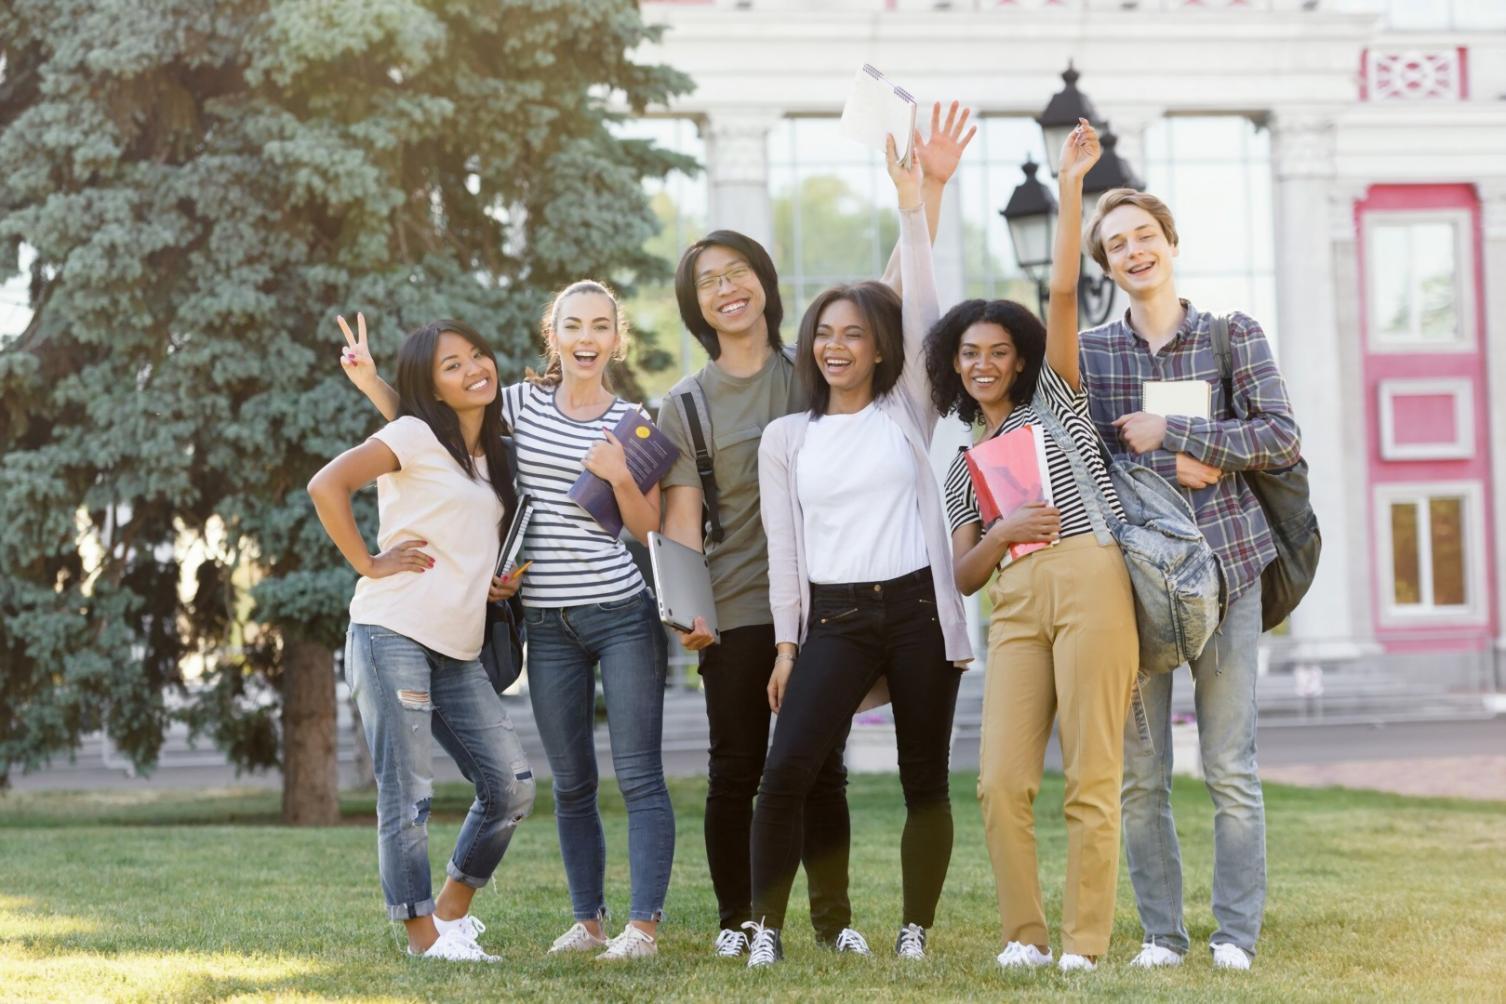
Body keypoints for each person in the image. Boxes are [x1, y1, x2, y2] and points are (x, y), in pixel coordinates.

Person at [656, 101, 974, 959]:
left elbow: (899, 301)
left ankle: (835, 922)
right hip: (744, 604)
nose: (727, 288)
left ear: (765, 283)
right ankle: (742, 923)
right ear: (694, 305)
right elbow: (678, 515)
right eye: (708, 281)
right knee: (743, 769)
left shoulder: (820, 370)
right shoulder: (690, 403)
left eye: (738, 272)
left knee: (826, 770)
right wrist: (685, 609)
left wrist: (922, 194)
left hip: (851, 602)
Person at [340, 283, 674, 962]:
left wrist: (619, 474)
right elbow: (432, 427)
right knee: (570, 783)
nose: (586, 338)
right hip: (546, 621)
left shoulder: (634, 421)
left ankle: (642, 928)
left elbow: (648, 526)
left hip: (621, 612)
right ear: (554, 336)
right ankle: (588, 923)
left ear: (617, 339)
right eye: (573, 325)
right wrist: (372, 381)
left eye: (601, 326)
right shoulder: (517, 404)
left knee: (637, 775)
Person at [742, 131, 972, 969]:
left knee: (924, 780)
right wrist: (787, 646)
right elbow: (785, 551)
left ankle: (915, 929)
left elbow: (923, 303)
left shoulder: (908, 407)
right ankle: (766, 929)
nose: (835, 345)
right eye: (823, 333)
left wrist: (915, 202)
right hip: (833, 620)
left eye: (853, 333)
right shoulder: (787, 438)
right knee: (787, 772)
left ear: (880, 346)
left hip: (917, 612)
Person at [1077, 173, 1301, 969]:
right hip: (1137, 589)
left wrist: (1178, 432)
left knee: (1230, 768)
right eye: (1116, 244)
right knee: (1141, 777)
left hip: (1230, 573)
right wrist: (1166, 463)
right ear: (1106, 264)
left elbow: (1280, 436)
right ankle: (1163, 938)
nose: (1133, 251)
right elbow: (1084, 465)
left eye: (1144, 236)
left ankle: (1234, 936)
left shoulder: (1231, 335)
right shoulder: (1092, 353)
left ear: (1170, 243)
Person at [933, 123, 1138, 973]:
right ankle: (1025, 935)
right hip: (1013, 605)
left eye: (998, 353)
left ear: (1021, 362)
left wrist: (1071, 185)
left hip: (1091, 579)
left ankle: (1084, 944)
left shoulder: (1055, 401)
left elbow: (1060, 293)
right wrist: (1003, 531)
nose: (983, 364)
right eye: (969, 354)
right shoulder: (960, 461)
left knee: (1091, 776)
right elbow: (962, 573)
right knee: (999, 783)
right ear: (954, 365)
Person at [309, 317, 535, 962]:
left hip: (458, 647)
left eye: (477, 355)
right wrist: (368, 562)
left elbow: (465, 527)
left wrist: (494, 582)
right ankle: (423, 939)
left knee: (512, 787)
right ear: (432, 388)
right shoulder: (412, 434)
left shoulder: (492, 453)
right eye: (452, 366)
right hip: (393, 631)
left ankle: (450, 916)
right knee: (408, 793)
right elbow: (327, 485)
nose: (474, 369)